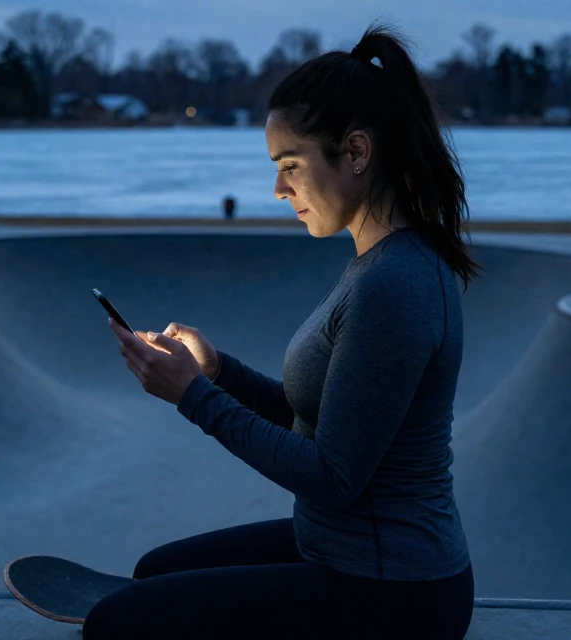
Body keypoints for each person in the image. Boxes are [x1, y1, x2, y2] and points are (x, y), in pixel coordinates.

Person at [93, 23, 481, 640]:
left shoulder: (395, 285)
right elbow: (324, 420)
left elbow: (333, 477)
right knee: (152, 572)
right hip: (341, 552)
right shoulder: (376, 265)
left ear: (356, 152)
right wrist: (218, 371)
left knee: (117, 626)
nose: (278, 190)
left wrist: (193, 397)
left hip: (395, 592)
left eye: (291, 165)